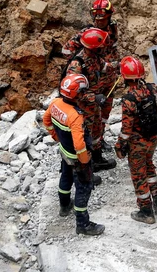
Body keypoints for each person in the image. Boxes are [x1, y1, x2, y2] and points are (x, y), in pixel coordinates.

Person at [43, 74, 105, 236]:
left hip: (64, 152)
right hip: (77, 158)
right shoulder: (75, 116)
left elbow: (46, 119)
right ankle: (82, 224)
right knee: (83, 188)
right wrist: (84, 162)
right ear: (77, 94)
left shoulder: (55, 103)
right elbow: (79, 144)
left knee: (65, 177)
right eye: (82, 92)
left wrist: (55, 136)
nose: (84, 94)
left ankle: (64, 206)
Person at [62, 0, 120, 151]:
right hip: (93, 80)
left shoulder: (113, 29)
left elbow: (113, 49)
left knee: (105, 111)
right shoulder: (87, 33)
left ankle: (100, 138)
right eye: (97, 17)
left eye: (103, 18)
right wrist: (82, 63)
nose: (99, 21)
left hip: (109, 77)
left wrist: (114, 65)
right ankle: (88, 146)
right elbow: (66, 50)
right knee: (91, 113)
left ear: (109, 16)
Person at [115, 56, 157, 224]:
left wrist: (120, 145)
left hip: (138, 142)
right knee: (149, 166)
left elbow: (126, 129)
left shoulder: (129, 99)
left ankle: (146, 211)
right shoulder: (153, 89)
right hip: (152, 138)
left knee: (138, 175)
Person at [65, 27, 118, 173]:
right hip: (83, 107)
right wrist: (94, 97)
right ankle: (85, 169)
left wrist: (118, 66)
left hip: (94, 106)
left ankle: (97, 159)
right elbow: (73, 91)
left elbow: (104, 67)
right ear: (93, 48)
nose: (103, 50)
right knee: (85, 136)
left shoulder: (94, 58)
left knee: (96, 131)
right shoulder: (77, 65)